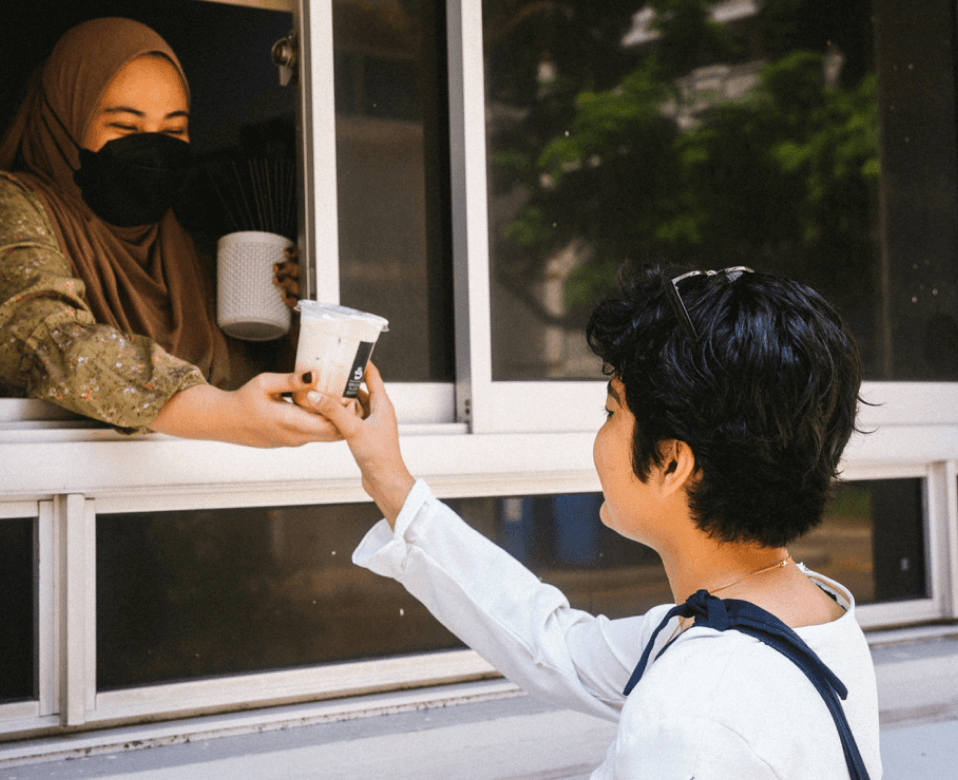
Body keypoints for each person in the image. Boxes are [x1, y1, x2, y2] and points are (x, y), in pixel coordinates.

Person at [304, 264, 882, 778]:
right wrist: (389, 479)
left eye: (612, 410)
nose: (600, 437)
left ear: (672, 462)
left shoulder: (691, 721)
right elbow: (555, 645)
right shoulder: (807, 615)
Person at [0, 17, 338, 447]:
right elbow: (43, 341)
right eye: (125, 128)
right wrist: (220, 414)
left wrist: (297, 323)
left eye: (173, 130)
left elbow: (254, 385)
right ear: (63, 121)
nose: (151, 149)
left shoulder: (188, 252)